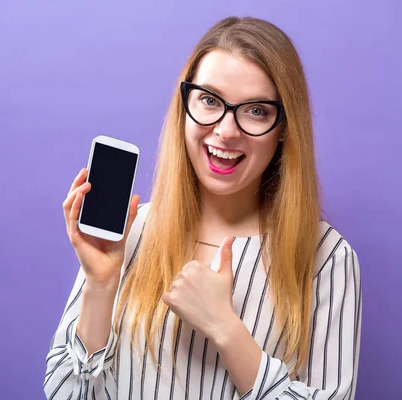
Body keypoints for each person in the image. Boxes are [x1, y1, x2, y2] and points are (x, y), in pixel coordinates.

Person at [44, 16, 362, 400]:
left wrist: (226, 329)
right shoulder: (131, 231)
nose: (227, 131)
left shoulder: (326, 258)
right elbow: (66, 393)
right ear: (184, 107)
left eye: (256, 110)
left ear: (284, 128)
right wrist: (101, 284)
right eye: (209, 101)